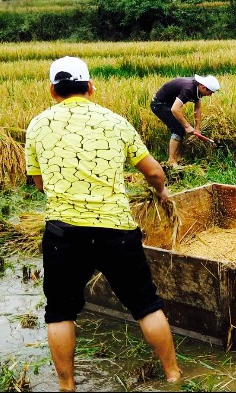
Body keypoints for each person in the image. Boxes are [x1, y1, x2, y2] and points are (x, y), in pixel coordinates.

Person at [25, 57, 182, 390]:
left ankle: (67, 386)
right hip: (116, 232)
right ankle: (173, 375)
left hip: (63, 233)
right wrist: (161, 191)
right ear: (90, 87)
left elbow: (39, 184)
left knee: (60, 312)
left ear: (53, 90)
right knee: (146, 305)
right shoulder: (115, 121)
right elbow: (155, 171)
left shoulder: (38, 125)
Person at [150, 74, 220, 167]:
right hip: (159, 104)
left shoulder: (198, 88)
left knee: (181, 129)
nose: (210, 95)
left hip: (169, 104)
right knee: (178, 129)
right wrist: (187, 126)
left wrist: (197, 127)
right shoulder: (189, 89)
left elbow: (197, 108)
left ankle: (178, 159)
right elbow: (175, 109)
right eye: (211, 92)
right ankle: (171, 161)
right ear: (204, 87)